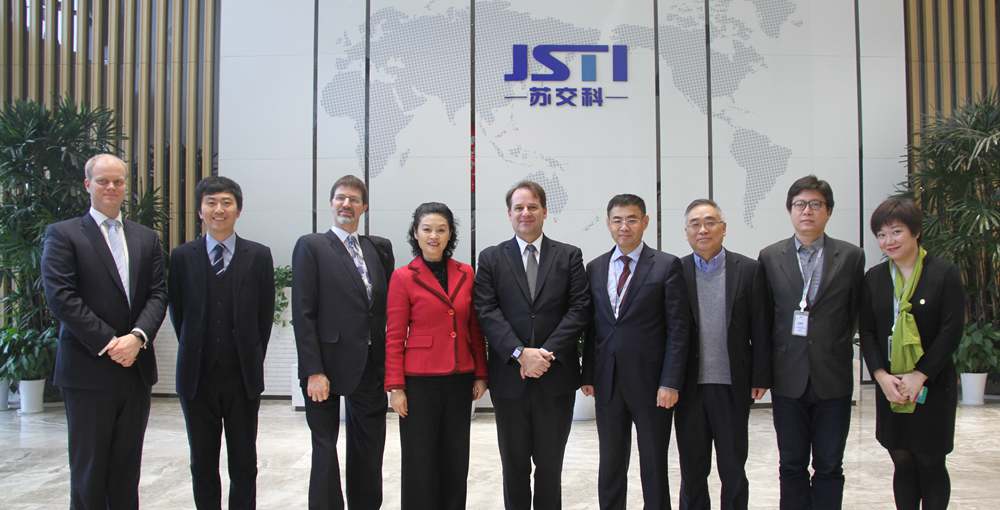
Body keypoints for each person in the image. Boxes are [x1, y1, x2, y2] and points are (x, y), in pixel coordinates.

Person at [40, 153, 168, 509]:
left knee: (127, 470)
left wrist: (137, 338)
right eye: (103, 181)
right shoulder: (64, 234)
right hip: (88, 370)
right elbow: (62, 297)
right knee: (90, 470)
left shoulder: (146, 238)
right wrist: (111, 342)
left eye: (118, 181)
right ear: (88, 185)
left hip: (135, 370)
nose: (111, 187)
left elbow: (158, 294)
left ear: (126, 186)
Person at [474, 180, 590, 510]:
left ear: (545, 212)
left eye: (532, 207)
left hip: (556, 378)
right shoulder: (491, 258)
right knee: (514, 466)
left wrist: (544, 354)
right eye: (519, 207)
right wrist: (520, 353)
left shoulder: (569, 255)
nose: (526, 213)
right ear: (509, 214)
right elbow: (486, 310)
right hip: (510, 379)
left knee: (550, 466)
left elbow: (580, 308)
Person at [756, 175, 864, 510]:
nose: (807, 211)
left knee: (830, 464)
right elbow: (765, 319)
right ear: (790, 210)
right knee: (791, 464)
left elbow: (854, 312)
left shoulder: (851, 256)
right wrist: (763, 374)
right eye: (800, 204)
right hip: (788, 376)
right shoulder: (770, 256)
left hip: (833, 377)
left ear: (828, 211)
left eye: (816, 204)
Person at [168, 176, 275, 509]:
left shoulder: (258, 255)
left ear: (238, 210)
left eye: (227, 202)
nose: (219, 209)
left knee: (244, 463)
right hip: (197, 378)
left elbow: (264, 317)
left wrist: (250, 356)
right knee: (202, 463)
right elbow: (178, 313)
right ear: (200, 210)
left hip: (242, 378)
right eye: (211, 202)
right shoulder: (182, 256)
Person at [580, 194, 691, 510]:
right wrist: (589, 374)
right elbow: (593, 327)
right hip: (608, 382)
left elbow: (678, 330)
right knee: (611, 462)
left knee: (653, 462)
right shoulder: (596, 267)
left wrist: (670, 381)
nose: (624, 226)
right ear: (608, 223)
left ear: (645, 222)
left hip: (652, 384)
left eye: (631, 219)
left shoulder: (667, 265)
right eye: (617, 220)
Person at [292, 175, 395, 510]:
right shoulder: (312, 246)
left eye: (354, 199)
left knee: (369, 447)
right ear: (331, 203)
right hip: (325, 366)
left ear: (364, 207)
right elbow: (303, 313)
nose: (346, 204)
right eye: (340, 198)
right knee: (325, 449)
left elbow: (383, 308)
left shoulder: (378, 249)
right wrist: (313, 370)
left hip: (369, 364)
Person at [859, 197, 964, 510]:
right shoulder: (875, 278)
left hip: (932, 383)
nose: (888, 241)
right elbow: (867, 332)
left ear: (916, 231)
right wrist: (881, 376)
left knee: (930, 460)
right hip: (891, 385)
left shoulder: (943, 273)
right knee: (901, 458)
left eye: (896, 232)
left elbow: (951, 330)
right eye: (881, 234)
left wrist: (920, 375)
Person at [385, 202, 489, 510]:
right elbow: (394, 336)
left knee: (456, 457)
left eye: (441, 230)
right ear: (415, 233)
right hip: (419, 382)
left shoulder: (466, 272)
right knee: (419, 459)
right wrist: (396, 387)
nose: (434, 236)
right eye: (427, 229)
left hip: (459, 378)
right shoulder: (403, 277)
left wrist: (481, 373)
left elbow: (474, 328)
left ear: (450, 234)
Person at [675, 199, 770, 510]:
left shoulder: (749, 270)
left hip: (732, 385)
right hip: (688, 388)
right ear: (686, 232)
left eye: (710, 222)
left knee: (733, 469)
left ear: (723, 228)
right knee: (692, 470)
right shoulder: (676, 271)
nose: (702, 230)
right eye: (695, 224)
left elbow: (760, 326)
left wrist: (760, 375)